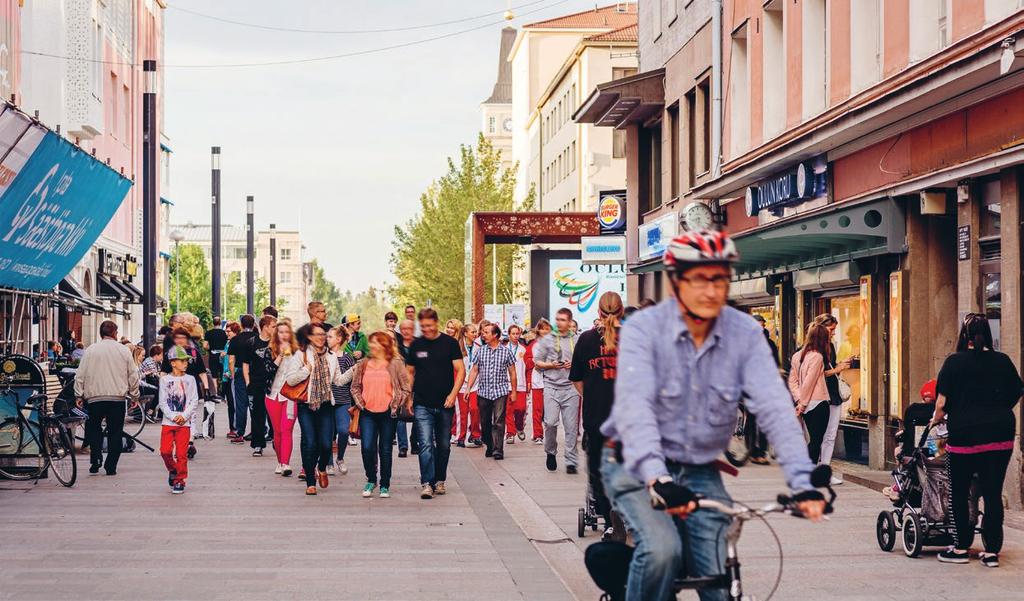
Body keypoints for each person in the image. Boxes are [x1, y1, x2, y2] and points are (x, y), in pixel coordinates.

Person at [600, 230, 825, 601]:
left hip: (700, 467)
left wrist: (802, 481)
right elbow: (635, 410)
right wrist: (658, 479)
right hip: (634, 463)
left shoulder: (745, 333)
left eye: (720, 279)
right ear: (676, 282)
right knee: (661, 551)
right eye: (699, 279)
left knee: (719, 571)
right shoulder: (643, 329)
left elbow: (773, 406)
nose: (711, 291)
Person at [931, 313, 1021, 567]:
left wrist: (937, 419)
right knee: (992, 493)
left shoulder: (954, 362)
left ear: (965, 336)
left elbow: (941, 403)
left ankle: (960, 548)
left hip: (964, 435)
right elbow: (1016, 391)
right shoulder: (1002, 361)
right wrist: (997, 409)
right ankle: (992, 552)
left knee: (959, 492)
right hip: (1000, 434)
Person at [569, 291, 623, 540]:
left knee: (599, 471)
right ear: (621, 311)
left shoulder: (586, 340)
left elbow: (577, 380)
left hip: (597, 417)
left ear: (599, 312)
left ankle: (610, 521)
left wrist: (591, 395)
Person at [283, 322, 355, 496]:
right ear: (309, 337)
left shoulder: (331, 357)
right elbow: (291, 380)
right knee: (310, 443)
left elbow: (337, 380)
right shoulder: (300, 355)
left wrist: (354, 370)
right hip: (306, 405)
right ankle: (310, 481)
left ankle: (322, 467)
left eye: (323, 335)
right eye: (317, 334)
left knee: (325, 444)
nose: (321, 338)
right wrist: (306, 370)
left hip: (325, 405)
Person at [407, 308, 465, 499]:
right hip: (422, 402)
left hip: (445, 404)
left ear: (436, 323)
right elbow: (410, 373)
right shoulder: (416, 345)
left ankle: (440, 480)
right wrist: (408, 397)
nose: (426, 329)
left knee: (444, 445)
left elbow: (461, 370)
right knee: (425, 444)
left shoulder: (449, 344)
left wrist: (453, 394)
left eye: (429, 326)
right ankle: (427, 483)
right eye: (422, 326)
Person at [74, 320, 140, 476]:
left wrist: (79, 394)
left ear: (100, 333)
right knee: (115, 432)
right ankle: (111, 465)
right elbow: (133, 375)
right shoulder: (123, 351)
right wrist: (134, 395)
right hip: (117, 398)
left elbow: (80, 374)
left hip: (95, 398)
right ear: (114, 333)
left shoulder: (90, 350)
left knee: (94, 429)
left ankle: (96, 458)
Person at [351, 331, 411, 498]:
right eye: (371, 343)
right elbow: (355, 387)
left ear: (384, 345)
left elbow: (406, 387)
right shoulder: (363, 363)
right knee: (367, 447)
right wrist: (360, 403)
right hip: (367, 412)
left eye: (376, 342)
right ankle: (371, 478)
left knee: (385, 449)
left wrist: (396, 402)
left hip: (387, 413)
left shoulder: (395, 363)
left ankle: (385, 484)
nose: (372, 346)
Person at [534, 307, 581, 473]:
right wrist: (551, 365)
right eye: (557, 319)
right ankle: (550, 452)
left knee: (571, 427)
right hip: (551, 386)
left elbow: (583, 363)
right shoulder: (547, 340)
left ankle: (571, 461)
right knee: (551, 423)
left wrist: (573, 365)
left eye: (562, 320)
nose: (559, 322)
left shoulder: (577, 339)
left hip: (571, 388)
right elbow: (537, 362)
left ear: (569, 322)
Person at [464, 323, 516, 460]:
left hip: (501, 391)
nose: (483, 334)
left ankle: (498, 450)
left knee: (498, 421)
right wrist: (468, 388)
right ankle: (490, 444)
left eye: (486, 332)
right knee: (485, 421)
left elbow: (512, 372)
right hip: (484, 392)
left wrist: (514, 392)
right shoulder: (480, 351)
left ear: (495, 335)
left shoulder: (506, 351)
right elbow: (474, 370)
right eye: (483, 332)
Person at [814, 313, 852, 485]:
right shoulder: (814, 348)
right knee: (822, 435)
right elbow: (817, 374)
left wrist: (840, 365)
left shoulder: (830, 345)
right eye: (832, 329)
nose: (834, 333)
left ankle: (824, 470)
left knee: (829, 435)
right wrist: (838, 370)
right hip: (822, 395)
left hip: (832, 394)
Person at [788, 323, 832, 464]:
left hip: (805, 405)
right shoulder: (817, 357)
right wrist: (803, 403)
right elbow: (809, 382)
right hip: (818, 403)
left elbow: (792, 381)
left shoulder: (797, 356)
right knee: (816, 441)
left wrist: (799, 399)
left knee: (813, 439)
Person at [159, 346, 199, 494]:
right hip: (168, 422)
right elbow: (162, 402)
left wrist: (184, 416)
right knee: (165, 451)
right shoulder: (164, 380)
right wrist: (172, 416)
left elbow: (194, 400)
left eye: (186, 360)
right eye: (182, 360)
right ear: (173, 363)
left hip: (184, 423)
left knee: (182, 454)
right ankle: (173, 469)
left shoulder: (190, 379)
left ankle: (179, 480)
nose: (185, 363)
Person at [264, 321, 299, 476]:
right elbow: (268, 371)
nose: (284, 335)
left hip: (290, 396)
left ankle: (286, 463)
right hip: (273, 395)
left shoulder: (298, 352)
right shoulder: (269, 350)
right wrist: (280, 355)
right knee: (277, 432)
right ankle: (280, 460)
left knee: (287, 430)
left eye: (287, 332)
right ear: (276, 335)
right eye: (281, 332)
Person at [325, 325, 357, 476]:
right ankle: (329, 462)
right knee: (328, 434)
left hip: (343, 400)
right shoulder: (324, 355)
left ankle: (340, 458)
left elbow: (353, 381)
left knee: (343, 431)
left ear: (338, 339)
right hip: (326, 400)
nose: (327, 339)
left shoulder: (347, 357)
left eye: (330, 337)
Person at [242, 315, 276, 455]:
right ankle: (258, 444)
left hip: (273, 384)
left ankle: (276, 439)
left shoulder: (276, 343)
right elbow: (245, 364)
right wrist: (248, 381)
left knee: (273, 414)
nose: (275, 329)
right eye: (273, 326)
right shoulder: (251, 342)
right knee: (257, 414)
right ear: (265, 326)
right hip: (255, 383)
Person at [748, 315, 778, 465]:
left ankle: (762, 451)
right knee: (753, 419)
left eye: (762, 326)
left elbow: (775, 362)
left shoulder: (770, 343)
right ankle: (753, 451)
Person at [453, 323, 483, 448]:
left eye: (476, 332)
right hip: (461, 385)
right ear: (465, 333)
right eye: (473, 332)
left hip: (475, 384)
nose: (475, 334)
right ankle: (460, 437)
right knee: (462, 412)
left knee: (475, 409)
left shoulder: (479, 347)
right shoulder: (457, 347)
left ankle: (475, 435)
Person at [228, 314, 257, 439]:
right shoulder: (257, 338)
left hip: (240, 371)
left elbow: (231, 360)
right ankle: (256, 430)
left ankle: (240, 431)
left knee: (241, 404)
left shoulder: (235, 339)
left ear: (241, 324)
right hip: (255, 372)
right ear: (253, 324)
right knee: (255, 402)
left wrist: (233, 375)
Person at [394, 319, 419, 456]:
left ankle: (414, 442)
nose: (406, 331)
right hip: (399, 384)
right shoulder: (395, 346)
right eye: (403, 329)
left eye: (409, 328)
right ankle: (402, 447)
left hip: (418, 384)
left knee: (418, 414)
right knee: (400, 416)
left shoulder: (420, 345)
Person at [524, 319, 550, 445]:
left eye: (547, 328)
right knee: (538, 410)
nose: (545, 331)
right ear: (538, 330)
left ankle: (549, 434)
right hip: (538, 381)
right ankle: (538, 434)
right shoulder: (535, 345)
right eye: (542, 328)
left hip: (552, 382)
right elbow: (537, 364)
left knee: (550, 412)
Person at [504, 324, 528, 445]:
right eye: (513, 334)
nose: (515, 336)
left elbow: (527, 367)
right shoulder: (503, 349)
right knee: (508, 410)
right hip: (506, 384)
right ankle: (510, 433)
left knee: (521, 408)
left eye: (517, 333)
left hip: (521, 383)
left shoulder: (523, 349)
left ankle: (519, 427)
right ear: (509, 335)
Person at [222, 321, 241, 432]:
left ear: (235, 331)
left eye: (229, 331)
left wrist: (231, 373)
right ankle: (232, 428)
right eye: (226, 331)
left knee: (234, 403)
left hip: (232, 376)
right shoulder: (228, 343)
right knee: (230, 404)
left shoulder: (235, 343)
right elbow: (225, 360)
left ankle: (235, 428)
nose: (227, 333)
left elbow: (234, 361)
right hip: (226, 376)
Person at [204, 316, 228, 397]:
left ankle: (215, 393)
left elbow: (205, 346)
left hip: (213, 355)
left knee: (214, 375)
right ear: (220, 323)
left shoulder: (208, 333)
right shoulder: (224, 333)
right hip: (223, 355)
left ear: (213, 323)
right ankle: (224, 393)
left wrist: (210, 349)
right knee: (223, 373)